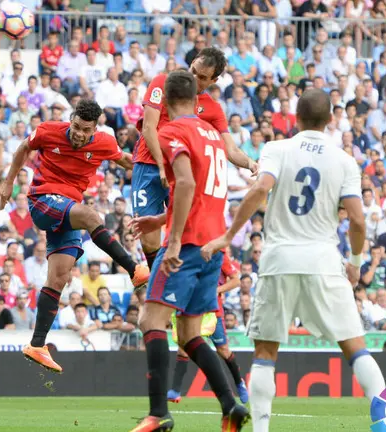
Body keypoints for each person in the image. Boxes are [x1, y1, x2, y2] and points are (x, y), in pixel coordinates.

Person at [202, 89, 386, 432]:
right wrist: (357, 262)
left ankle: (260, 429)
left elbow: (260, 189)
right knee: (355, 346)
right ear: (331, 119)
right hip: (324, 260)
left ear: (295, 119)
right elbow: (358, 221)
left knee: (266, 352)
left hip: (278, 260)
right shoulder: (344, 160)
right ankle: (383, 421)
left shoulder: (278, 149)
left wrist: (229, 236)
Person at [129, 71, 249, 432]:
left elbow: (184, 182)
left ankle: (158, 413)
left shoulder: (171, 132)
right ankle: (231, 404)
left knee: (150, 321)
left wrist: (174, 238)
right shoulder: (212, 134)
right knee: (191, 334)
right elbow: (199, 192)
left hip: (189, 243)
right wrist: (160, 218)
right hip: (213, 245)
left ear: (163, 100)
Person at [0, 100, 150, 374]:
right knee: (93, 217)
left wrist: (159, 172)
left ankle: (37, 345)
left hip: (68, 210)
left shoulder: (104, 142)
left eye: (86, 130)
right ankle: (134, 270)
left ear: (95, 128)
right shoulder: (48, 131)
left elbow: (127, 161)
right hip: (44, 201)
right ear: (71, 120)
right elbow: (23, 148)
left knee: (59, 277)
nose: (80, 134)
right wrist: (8, 183)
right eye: (76, 127)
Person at [132, 48, 256, 277]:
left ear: (214, 80)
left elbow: (230, 149)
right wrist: (161, 165)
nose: (193, 78)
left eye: (201, 77)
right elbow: (149, 128)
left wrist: (251, 164)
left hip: (183, 172)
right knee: (149, 239)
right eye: (193, 71)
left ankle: (166, 286)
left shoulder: (212, 108)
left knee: (182, 231)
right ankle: (158, 280)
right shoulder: (163, 82)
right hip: (149, 165)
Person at [167, 249, 247, 404]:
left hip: (212, 310)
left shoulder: (218, 255)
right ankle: (175, 390)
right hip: (191, 307)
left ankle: (239, 382)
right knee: (183, 346)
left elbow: (235, 280)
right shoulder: (188, 253)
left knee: (222, 350)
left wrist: (216, 290)